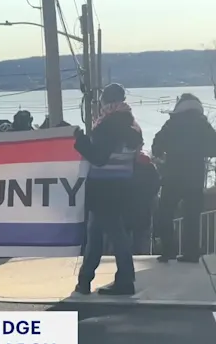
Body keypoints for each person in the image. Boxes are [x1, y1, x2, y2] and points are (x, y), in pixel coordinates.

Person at [73, 83, 142, 296]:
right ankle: (85, 280)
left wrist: (81, 141)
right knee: (98, 233)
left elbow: (99, 158)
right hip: (122, 187)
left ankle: (124, 280)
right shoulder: (132, 125)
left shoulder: (107, 126)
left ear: (106, 102)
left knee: (112, 234)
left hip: (103, 188)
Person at [152, 93, 216, 262]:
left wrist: (161, 154)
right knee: (192, 215)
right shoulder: (203, 124)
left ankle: (168, 250)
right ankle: (191, 252)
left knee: (165, 212)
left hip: (173, 175)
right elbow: (213, 148)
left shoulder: (172, 123)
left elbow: (157, 143)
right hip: (195, 176)